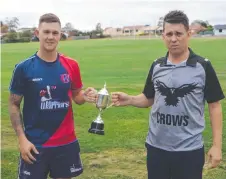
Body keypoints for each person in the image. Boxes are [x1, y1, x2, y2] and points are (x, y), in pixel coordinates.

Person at [112, 10, 224, 179]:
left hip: (189, 150)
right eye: (169, 34)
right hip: (156, 148)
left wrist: (217, 146)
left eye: (178, 34)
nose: (173, 39)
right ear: (163, 36)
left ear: (188, 34)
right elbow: (149, 98)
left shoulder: (202, 66)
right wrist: (130, 99)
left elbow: (215, 106)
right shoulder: (157, 65)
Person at [8, 13, 97, 179]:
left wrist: (85, 95)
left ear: (60, 35)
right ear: (37, 33)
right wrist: (22, 139)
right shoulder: (23, 68)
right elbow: (14, 104)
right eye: (46, 32)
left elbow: (77, 96)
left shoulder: (71, 65)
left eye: (55, 33)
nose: (50, 37)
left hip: (66, 143)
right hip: (34, 144)